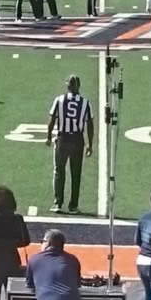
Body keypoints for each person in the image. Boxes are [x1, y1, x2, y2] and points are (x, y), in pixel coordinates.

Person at [47, 75, 94, 211]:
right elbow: (90, 124)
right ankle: (73, 205)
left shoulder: (59, 100)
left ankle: (57, 202)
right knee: (76, 173)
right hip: (77, 139)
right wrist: (90, 144)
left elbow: (52, 120)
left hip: (63, 139)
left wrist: (49, 136)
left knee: (59, 171)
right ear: (79, 86)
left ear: (68, 86)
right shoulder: (85, 103)